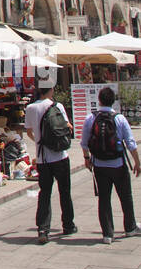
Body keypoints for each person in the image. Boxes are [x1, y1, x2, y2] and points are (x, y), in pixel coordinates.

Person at [81, 86, 141, 244]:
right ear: (113, 101)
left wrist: (87, 158)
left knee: (104, 198)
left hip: (99, 165)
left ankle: (107, 234)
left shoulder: (91, 118)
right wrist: (137, 162)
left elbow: (84, 142)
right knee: (126, 197)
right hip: (118, 165)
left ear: (99, 100)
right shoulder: (119, 118)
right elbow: (131, 143)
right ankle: (130, 228)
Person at [25, 76, 76, 243]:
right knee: (65, 192)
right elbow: (68, 128)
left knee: (44, 193)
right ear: (51, 90)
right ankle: (68, 225)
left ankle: (43, 229)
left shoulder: (31, 108)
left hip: (43, 159)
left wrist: (40, 141)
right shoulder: (58, 106)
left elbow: (30, 132)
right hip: (61, 156)